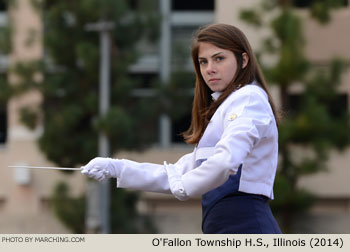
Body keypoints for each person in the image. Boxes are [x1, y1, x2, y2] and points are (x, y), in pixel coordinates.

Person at [81, 23, 282, 234]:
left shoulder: (248, 98)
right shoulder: (227, 107)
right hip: (227, 227)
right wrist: (116, 168)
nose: (209, 69)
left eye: (219, 58)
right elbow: (178, 173)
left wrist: (185, 186)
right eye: (203, 62)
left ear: (243, 60)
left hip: (247, 226)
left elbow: (225, 162)